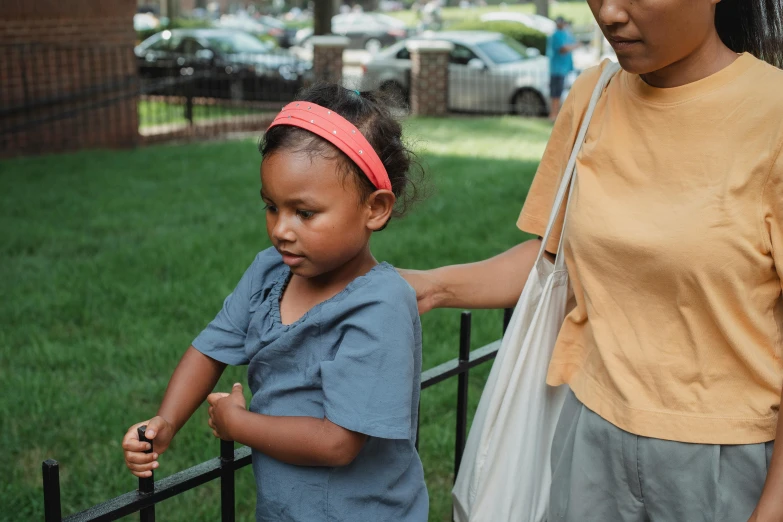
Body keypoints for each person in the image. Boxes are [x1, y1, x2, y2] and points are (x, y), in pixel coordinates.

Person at [403, 0, 783, 520]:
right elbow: (549, 261)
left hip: (724, 461)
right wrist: (429, 287)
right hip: (586, 436)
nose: (608, 12)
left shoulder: (773, 114)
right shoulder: (593, 96)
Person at [121, 84, 429, 522]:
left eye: (304, 213)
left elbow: (338, 443)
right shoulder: (269, 273)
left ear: (374, 209)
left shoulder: (380, 305)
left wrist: (238, 424)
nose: (282, 229)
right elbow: (211, 347)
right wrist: (166, 421)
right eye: (271, 207)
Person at [547, 16, 581, 121]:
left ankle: (557, 114)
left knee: (561, 93)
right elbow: (563, 49)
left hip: (565, 69)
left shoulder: (565, 34)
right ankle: (553, 114)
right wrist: (574, 46)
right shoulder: (555, 35)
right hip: (557, 69)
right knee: (555, 94)